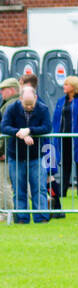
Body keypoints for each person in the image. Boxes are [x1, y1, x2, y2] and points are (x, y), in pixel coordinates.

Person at [1, 85, 52, 223]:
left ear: (36, 98)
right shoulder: (12, 108)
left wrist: (29, 130)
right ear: (20, 98)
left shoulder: (43, 109)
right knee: (19, 189)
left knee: (39, 188)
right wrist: (20, 133)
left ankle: (41, 217)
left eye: (31, 104)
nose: (29, 107)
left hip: (36, 156)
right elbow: (4, 126)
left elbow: (47, 127)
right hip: (16, 156)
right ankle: (22, 218)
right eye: (26, 104)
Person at [51, 75, 78, 200]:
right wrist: (55, 133)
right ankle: (63, 191)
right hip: (64, 137)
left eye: (67, 84)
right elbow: (56, 118)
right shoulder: (61, 101)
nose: (64, 86)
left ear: (73, 87)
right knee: (65, 164)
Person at [0, 77, 18, 220]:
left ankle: (6, 213)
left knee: (3, 183)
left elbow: (5, 130)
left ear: (12, 90)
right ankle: (47, 200)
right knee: (17, 180)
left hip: (7, 149)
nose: (1, 93)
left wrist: (1, 150)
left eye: (3, 90)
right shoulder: (19, 103)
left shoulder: (8, 106)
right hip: (16, 150)